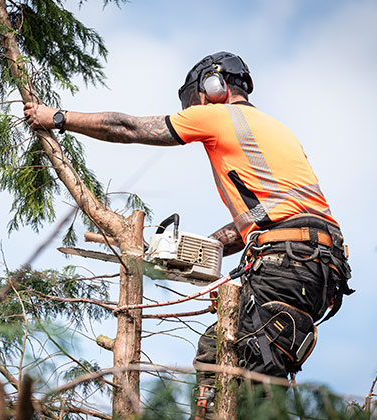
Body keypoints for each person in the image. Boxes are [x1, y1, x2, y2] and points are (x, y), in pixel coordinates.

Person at [24, 51, 353, 419]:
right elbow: (265, 214)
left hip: (288, 262)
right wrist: (196, 250)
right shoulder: (274, 133)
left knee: (256, 379)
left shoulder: (218, 115)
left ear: (213, 88)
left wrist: (56, 118)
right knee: (216, 352)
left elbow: (128, 127)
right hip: (313, 263)